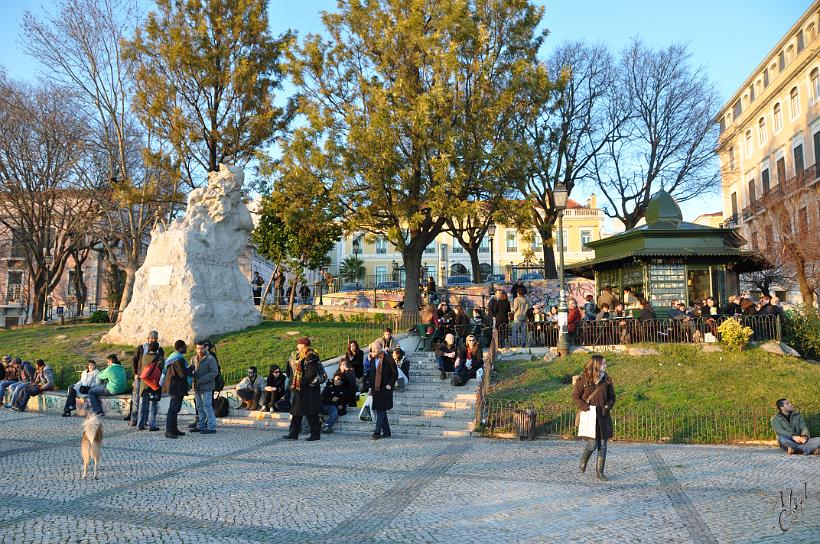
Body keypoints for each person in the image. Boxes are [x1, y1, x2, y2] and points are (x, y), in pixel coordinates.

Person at [573, 355, 616, 481]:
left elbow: (612, 397)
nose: (606, 365)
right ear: (597, 365)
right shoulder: (584, 380)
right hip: (589, 415)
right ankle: (583, 461)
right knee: (592, 445)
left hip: (603, 415)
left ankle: (600, 472)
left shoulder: (607, 379)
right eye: (604, 363)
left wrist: (607, 406)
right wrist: (584, 406)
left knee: (603, 445)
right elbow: (576, 396)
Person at [283, 337, 323, 441]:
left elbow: (311, 372)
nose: (297, 346)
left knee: (311, 412)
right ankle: (293, 433)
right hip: (300, 388)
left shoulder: (311, 355)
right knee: (296, 411)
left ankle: (315, 434)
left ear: (303, 345)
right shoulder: (301, 356)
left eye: (299, 344)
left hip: (309, 388)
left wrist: (301, 383)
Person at [127, 330, 164, 426]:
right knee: (137, 399)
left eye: (155, 338)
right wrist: (135, 373)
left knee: (149, 400)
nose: (153, 340)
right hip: (140, 377)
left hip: (153, 379)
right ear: (147, 338)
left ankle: (145, 420)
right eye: (151, 338)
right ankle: (134, 419)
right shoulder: (141, 347)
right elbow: (134, 360)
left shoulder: (160, 349)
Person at [367, 343, 397, 440]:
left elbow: (394, 373)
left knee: (381, 410)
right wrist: (370, 388)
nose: (375, 351)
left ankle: (377, 432)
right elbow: (371, 375)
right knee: (380, 410)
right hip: (376, 389)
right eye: (373, 350)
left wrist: (390, 384)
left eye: (376, 349)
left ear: (381, 348)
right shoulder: (372, 360)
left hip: (385, 389)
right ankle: (387, 431)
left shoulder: (388, 359)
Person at [161, 340, 189, 439]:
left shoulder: (173, 357)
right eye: (185, 347)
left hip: (174, 386)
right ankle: (169, 430)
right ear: (181, 347)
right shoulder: (178, 359)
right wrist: (191, 368)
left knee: (175, 409)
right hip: (176, 387)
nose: (186, 348)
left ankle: (174, 429)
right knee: (173, 409)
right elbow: (182, 373)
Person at [190, 340, 219, 434]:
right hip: (196, 387)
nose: (199, 350)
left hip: (207, 387)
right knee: (199, 407)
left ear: (205, 348)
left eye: (201, 348)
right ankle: (201, 425)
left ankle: (212, 426)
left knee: (207, 406)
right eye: (198, 348)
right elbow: (190, 370)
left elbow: (214, 372)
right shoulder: (193, 358)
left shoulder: (210, 358)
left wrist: (201, 379)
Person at [136, 342, 164, 431]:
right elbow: (161, 370)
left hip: (144, 384)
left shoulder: (144, 357)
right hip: (154, 384)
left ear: (149, 348)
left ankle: (140, 424)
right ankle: (151, 425)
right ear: (157, 348)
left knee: (142, 405)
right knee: (153, 405)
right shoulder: (160, 358)